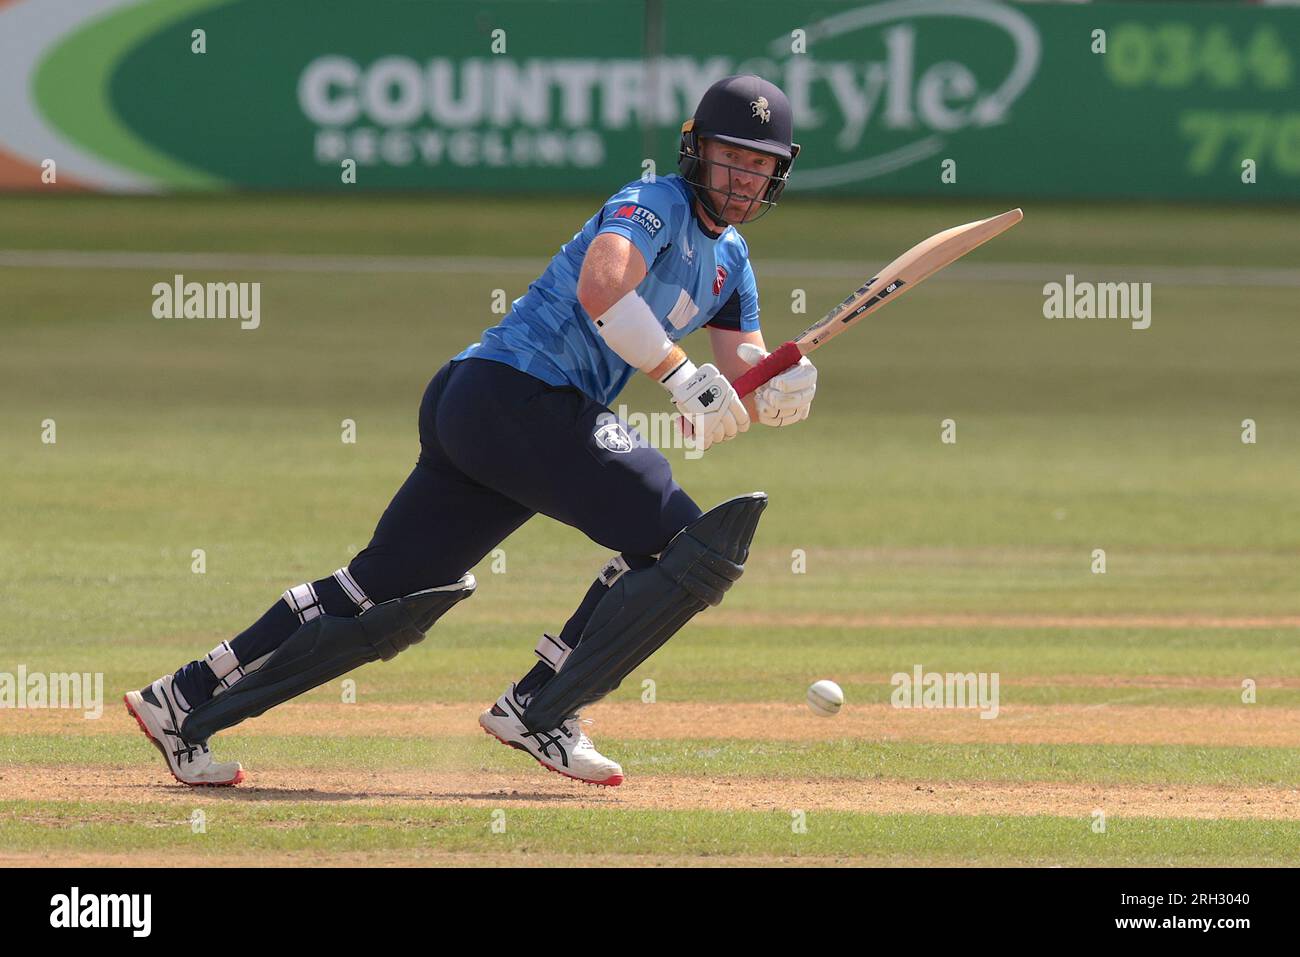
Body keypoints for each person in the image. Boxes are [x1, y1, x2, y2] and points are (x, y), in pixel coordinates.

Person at [124, 74, 818, 789]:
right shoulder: (653, 203)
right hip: (515, 394)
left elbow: (739, 378)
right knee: (681, 541)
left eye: (760, 164)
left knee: (382, 595)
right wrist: (678, 373)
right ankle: (541, 707)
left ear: (779, 173)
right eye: (730, 156)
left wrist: (780, 387)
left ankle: (180, 700)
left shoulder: (732, 263)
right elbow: (604, 287)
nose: (742, 177)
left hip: (491, 413)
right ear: (695, 150)